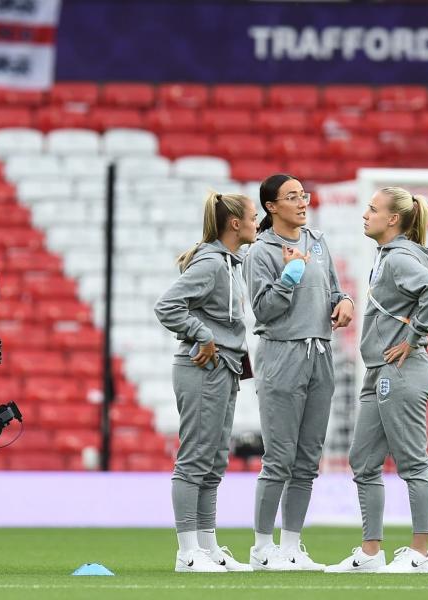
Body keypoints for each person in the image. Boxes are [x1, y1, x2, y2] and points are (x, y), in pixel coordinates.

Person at [324, 187, 428, 574]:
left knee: (412, 461)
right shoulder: (387, 256)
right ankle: (371, 551)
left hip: (400, 370)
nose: (365, 214)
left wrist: (412, 338)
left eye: (373, 209)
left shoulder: (398, 258)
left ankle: (421, 553)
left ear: (393, 219)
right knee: (363, 459)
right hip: (379, 368)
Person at [244, 174, 354, 571]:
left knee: (308, 459)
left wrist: (345, 303)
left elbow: (335, 290)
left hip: (320, 353)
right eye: (292, 197)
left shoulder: (317, 241)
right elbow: (265, 310)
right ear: (272, 207)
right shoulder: (261, 251)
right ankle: (261, 547)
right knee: (279, 458)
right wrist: (289, 276)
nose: (302, 202)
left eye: (303, 195)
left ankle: (291, 545)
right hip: (282, 354)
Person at [154, 191, 258, 573]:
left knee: (214, 459)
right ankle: (187, 552)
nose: (257, 222)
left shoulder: (230, 264)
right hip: (202, 368)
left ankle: (208, 546)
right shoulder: (213, 264)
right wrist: (202, 333)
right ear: (235, 223)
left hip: (224, 367)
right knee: (195, 457)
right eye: (252, 216)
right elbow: (167, 306)